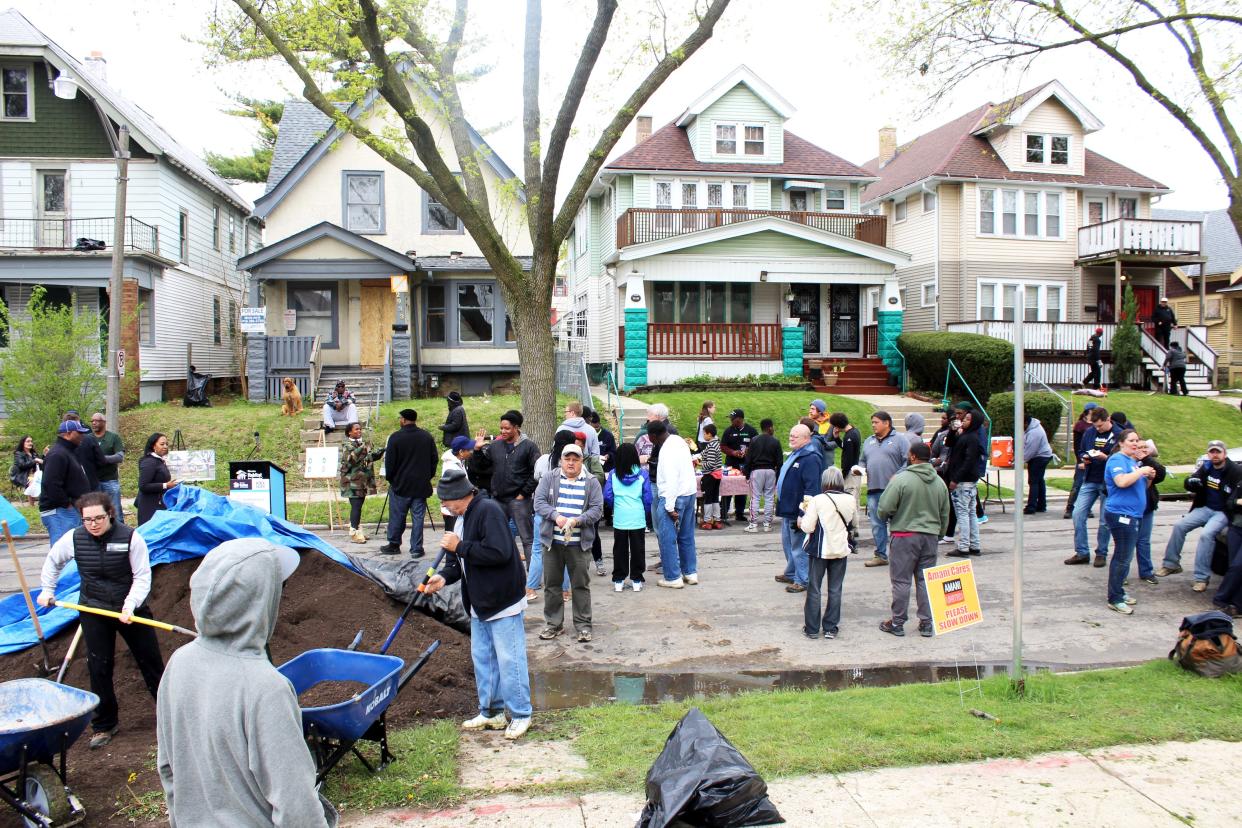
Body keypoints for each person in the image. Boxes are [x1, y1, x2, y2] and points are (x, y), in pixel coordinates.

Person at [156, 538, 337, 827]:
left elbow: (168, 767)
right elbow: (296, 806)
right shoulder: (265, 687)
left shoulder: (180, 663)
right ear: (260, 600)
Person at [38, 492, 164, 749]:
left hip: (130, 609)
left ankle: (170, 717)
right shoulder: (74, 538)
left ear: (110, 514)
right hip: (94, 609)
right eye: (87, 520)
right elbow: (53, 561)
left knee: (150, 662)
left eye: (99, 518)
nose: (93, 524)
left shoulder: (131, 537)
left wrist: (130, 605)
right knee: (99, 666)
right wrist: (47, 590)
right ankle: (105, 724)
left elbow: (142, 576)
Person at [426, 469, 532, 740]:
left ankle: (521, 713)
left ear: (461, 496)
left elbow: (499, 553)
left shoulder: (488, 511)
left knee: (510, 659)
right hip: (478, 601)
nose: (444, 507)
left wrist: (460, 547)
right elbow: (456, 561)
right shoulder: (459, 518)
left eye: (446, 501)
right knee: (483, 658)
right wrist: (442, 577)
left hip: (502, 599)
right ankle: (491, 711)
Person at [876, 442, 951, 637]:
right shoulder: (939, 482)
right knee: (925, 580)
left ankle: (898, 622)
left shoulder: (902, 480)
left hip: (904, 535)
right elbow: (945, 513)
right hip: (930, 537)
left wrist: (890, 517)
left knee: (901, 581)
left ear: (912, 457)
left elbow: (884, 508)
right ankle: (926, 622)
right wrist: (939, 534)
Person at [534, 443, 604, 642]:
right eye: (568, 459)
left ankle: (583, 626)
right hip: (552, 542)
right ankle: (553, 625)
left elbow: (597, 509)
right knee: (552, 585)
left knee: (580, 585)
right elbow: (538, 503)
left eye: (576, 459)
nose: (571, 463)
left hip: (579, 544)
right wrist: (555, 516)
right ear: (561, 460)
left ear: (582, 461)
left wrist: (578, 520)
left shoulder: (591, 482)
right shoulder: (549, 478)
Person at [1158, 440, 1241, 591]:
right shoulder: (1207, 467)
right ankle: (1171, 564)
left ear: (1225, 454)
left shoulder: (1235, 471)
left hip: (1223, 512)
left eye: (1218, 452)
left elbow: (1235, 497)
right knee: (1179, 526)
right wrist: (1190, 481)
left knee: (1206, 535)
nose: (1215, 455)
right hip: (1205, 508)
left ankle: (1201, 578)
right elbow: (1189, 482)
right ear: (1208, 453)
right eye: (1212, 452)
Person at [472, 410, 540, 565]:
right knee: (495, 537)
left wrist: (523, 494)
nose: (503, 431)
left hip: (519, 500)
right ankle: (502, 571)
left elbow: (535, 473)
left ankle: (532, 578)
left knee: (527, 539)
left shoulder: (529, 446)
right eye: (501, 428)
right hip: (497, 499)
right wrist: (477, 450)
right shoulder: (495, 445)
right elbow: (480, 468)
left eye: (507, 428)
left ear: (516, 428)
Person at [799, 467, 857, 640]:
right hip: (840, 549)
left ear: (823, 481)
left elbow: (808, 527)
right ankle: (831, 627)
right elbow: (854, 523)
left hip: (820, 550)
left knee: (814, 588)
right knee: (835, 589)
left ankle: (812, 628)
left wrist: (801, 520)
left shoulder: (818, 500)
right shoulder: (850, 499)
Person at [1102, 430, 1156, 614]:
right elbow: (1121, 482)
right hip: (1120, 514)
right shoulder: (1117, 460)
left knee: (1126, 556)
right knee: (1122, 557)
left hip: (1133, 514)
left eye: (1137, 441)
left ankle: (1119, 591)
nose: (1135, 444)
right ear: (1121, 443)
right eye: (1131, 441)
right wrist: (1141, 470)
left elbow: (1139, 486)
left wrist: (1148, 478)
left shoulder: (1132, 462)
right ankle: (1114, 598)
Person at [378, 409, 437, 559]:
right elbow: (434, 460)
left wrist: (391, 479)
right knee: (418, 518)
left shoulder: (396, 438)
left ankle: (394, 544)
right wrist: (427, 477)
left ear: (404, 420)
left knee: (397, 516)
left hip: (400, 484)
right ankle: (417, 548)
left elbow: (389, 462)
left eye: (400, 418)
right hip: (420, 485)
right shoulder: (426, 437)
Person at [1065, 407, 1120, 566]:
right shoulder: (1090, 432)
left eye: (1100, 426)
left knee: (1104, 520)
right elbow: (1082, 450)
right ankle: (1082, 552)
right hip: (1090, 477)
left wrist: (1106, 457)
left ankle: (1101, 553)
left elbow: (1122, 456)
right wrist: (1084, 457)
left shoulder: (1118, 434)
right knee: (1078, 514)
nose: (1097, 429)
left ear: (1108, 419)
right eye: (1095, 426)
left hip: (1107, 481)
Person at [775, 423, 825, 594]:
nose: (791, 437)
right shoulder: (797, 454)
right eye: (790, 434)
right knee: (788, 544)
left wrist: (803, 513)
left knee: (798, 547)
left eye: (795, 436)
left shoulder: (811, 457)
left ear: (806, 438)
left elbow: (812, 489)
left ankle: (802, 579)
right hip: (787, 509)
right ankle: (791, 572)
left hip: (797, 512)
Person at [650, 421, 699, 589]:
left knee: (667, 538)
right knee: (686, 536)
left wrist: (669, 508)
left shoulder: (666, 450)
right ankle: (690, 572)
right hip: (689, 494)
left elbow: (671, 479)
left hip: (674, 496)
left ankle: (672, 577)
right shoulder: (678, 441)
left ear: (653, 436)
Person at [860, 411, 907, 568]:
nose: (873, 425)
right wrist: (859, 468)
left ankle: (900, 554)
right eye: (872, 422)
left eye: (876, 422)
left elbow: (909, 461)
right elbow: (862, 461)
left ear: (887, 423)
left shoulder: (900, 440)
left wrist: (898, 475)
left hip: (894, 490)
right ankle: (881, 554)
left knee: (897, 522)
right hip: (874, 489)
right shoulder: (868, 441)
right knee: (877, 524)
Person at [605, 443, 652, 592]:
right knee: (638, 549)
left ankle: (619, 580)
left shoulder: (613, 474)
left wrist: (615, 506)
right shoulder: (642, 474)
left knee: (620, 549)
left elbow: (607, 495)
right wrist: (644, 511)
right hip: (637, 517)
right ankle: (636, 580)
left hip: (620, 517)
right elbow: (648, 497)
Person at [40, 421, 92, 542]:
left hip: (68, 509)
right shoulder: (57, 454)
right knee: (64, 550)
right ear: (68, 434)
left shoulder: (68, 452)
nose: (82, 436)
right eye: (79, 433)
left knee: (73, 548)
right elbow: (50, 483)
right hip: (59, 511)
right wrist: (66, 504)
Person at [944, 410, 984, 558]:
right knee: (971, 513)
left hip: (963, 481)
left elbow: (969, 461)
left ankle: (964, 546)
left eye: (967, 419)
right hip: (967, 481)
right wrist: (952, 430)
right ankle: (974, 544)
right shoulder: (964, 435)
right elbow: (949, 443)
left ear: (973, 422)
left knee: (963, 514)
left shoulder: (971, 438)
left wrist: (955, 479)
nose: (964, 421)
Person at [339, 422, 384, 544]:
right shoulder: (346, 445)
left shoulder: (359, 444)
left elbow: (366, 458)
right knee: (356, 507)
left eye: (360, 429)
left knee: (358, 506)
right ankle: (354, 532)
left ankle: (358, 529)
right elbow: (351, 460)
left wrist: (379, 452)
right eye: (356, 429)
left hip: (362, 482)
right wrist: (365, 447)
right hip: (351, 482)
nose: (359, 431)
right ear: (349, 432)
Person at [1133, 439, 1166, 587]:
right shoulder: (1126, 462)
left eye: (1144, 447)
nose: (1142, 450)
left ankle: (1146, 571)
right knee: (1125, 542)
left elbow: (1161, 474)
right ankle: (1121, 573)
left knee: (1144, 540)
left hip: (1146, 507)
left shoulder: (1149, 462)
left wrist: (1146, 459)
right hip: (1129, 508)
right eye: (1138, 447)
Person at [743, 418, 781, 533]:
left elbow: (748, 458)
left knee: (755, 497)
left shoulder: (754, 440)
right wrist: (778, 475)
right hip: (770, 471)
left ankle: (753, 524)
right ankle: (767, 524)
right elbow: (779, 462)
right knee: (769, 497)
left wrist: (747, 473)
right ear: (769, 427)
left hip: (757, 471)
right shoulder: (775, 441)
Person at [720, 409, 758, 523]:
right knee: (728, 487)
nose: (731, 421)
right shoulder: (728, 431)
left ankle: (739, 513)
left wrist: (748, 451)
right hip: (731, 464)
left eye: (734, 419)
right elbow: (723, 446)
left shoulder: (751, 431)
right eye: (731, 419)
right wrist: (733, 452)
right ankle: (723, 512)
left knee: (742, 488)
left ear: (741, 419)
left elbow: (756, 444)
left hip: (745, 464)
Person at [1063, 402, 1100, 519]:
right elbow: (1077, 445)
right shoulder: (1080, 425)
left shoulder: (1096, 425)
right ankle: (1070, 507)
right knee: (1077, 484)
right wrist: (1080, 461)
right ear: (1089, 411)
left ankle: (1087, 508)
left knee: (1089, 485)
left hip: (1094, 459)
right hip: (1083, 458)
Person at [830, 412, 863, 541]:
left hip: (851, 473)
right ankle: (856, 527)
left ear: (838, 425)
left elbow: (847, 458)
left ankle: (853, 529)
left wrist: (843, 474)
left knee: (851, 500)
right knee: (855, 500)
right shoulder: (854, 432)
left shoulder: (849, 437)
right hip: (856, 472)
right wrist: (837, 438)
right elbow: (845, 449)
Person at [136, 432, 179, 527]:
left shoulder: (158, 461)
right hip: (149, 506)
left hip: (158, 504)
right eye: (162, 444)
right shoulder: (149, 462)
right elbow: (143, 486)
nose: (165, 446)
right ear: (153, 446)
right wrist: (166, 485)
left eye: (167, 444)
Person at [89, 412, 126, 521]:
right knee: (96, 511)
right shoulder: (88, 438)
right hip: (93, 482)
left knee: (115, 511)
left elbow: (120, 456)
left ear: (104, 422)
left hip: (110, 481)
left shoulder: (113, 437)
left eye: (97, 421)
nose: (94, 423)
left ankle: (120, 534)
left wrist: (102, 459)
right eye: (92, 421)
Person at [441, 435, 478, 532]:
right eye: (469, 450)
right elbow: (456, 491)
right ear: (461, 452)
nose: (471, 452)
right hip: (454, 510)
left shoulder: (458, 462)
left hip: (457, 509)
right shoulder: (452, 467)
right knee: (453, 539)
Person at [1023, 415, 1054, 515]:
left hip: (1040, 457)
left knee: (1033, 481)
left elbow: (1030, 451)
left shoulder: (1034, 432)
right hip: (1042, 455)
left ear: (1026, 423)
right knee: (1039, 480)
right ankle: (1041, 505)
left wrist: (1019, 461)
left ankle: (1031, 506)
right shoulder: (1033, 427)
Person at [698, 423, 724, 530]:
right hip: (717, 475)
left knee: (708, 498)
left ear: (709, 434)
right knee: (715, 498)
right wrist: (700, 456)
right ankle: (717, 520)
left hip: (710, 475)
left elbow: (711, 463)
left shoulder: (712, 445)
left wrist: (700, 464)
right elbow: (705, 453)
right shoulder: (715, 444)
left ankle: (708, 521)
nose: (703, 436)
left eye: (704, 434)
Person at [10, 435, 42, 507]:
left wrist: (44, 455)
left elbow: (40, 464)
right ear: (23, 443)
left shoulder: (33, 453)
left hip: (34, 474)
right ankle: (32, 506)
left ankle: (43, 502)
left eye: (31, 441)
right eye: (28, 441)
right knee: (32, 481)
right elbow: (22, 465)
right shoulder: (18, 453)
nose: (30, 443)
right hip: (21, 475)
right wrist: (35, 461)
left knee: (46, 479)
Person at [590, 409, 617, 475]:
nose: (595, 430)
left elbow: (614, 451)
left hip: (606, 468)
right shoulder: (588, 434)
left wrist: (608, 455)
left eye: (597, 427)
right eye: (593, 428)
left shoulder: (608, 435)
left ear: (599, 423)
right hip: (591, 469)